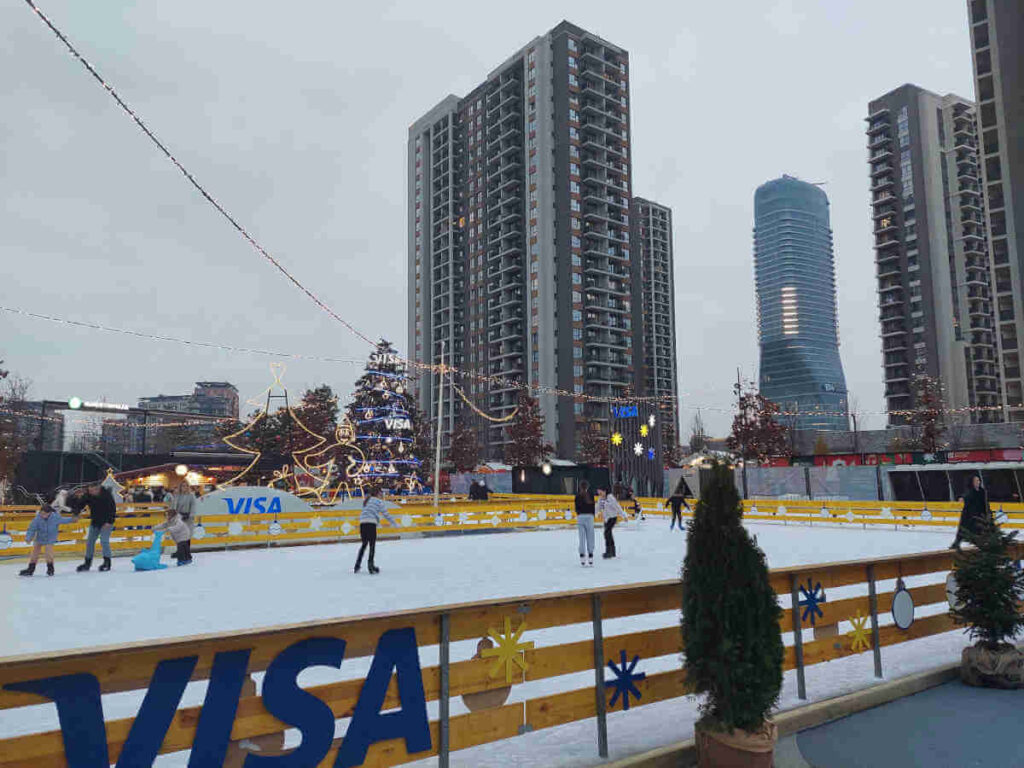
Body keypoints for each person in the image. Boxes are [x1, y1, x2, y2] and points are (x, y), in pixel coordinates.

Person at [19, 490, 79, 577]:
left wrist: (72, 520)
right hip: (39, 537)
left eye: (45, 514)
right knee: (35, 552)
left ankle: (50, 569)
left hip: (50, 538)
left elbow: (64, 520)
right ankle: (30, 569)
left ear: (50, 513)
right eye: (41, 513)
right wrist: (28, 538)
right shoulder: (37, 519)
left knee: (49, 553)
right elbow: (31, 529)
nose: (42, 515)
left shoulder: (55, 517)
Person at [75, 483, 118, 572]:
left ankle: (107, 562)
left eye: (92, 490)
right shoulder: (88, 495)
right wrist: (76, 512)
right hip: (95, 522)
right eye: (89, 490)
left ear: (97, 489)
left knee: (104, 541)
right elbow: (80, 504)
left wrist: (109, 521)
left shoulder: (106, 495)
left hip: (107, 522)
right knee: (90, 542)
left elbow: (112, 509)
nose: (90, 492)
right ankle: (87, 563)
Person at [354, 485, 397, 574]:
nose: (382, 494)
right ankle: (371, 566)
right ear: (378, 493)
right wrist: (394, 523)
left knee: (364, 544)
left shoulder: (367, 500)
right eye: (381, 492)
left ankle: (357, 565)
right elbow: (386, 514)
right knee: (372, 545)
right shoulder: (378, 501)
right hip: (371, 524)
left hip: (363, 523)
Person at [951, 474, 991, 549]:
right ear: (972, 482)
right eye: (976, 481)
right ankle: (956, 544)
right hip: (969, 515)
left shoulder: (982, 492)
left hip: (980, 515)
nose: (978, 482)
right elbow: (965, 496)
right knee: (963, 530)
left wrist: (988, 512)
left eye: (978, 480)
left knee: (980, 531)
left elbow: (985, 503)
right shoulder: (970, 491)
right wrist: (961, 498)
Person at [574, 480, 596, 567]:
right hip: (589, 517)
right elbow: (593, 507)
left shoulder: (577, 496)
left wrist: (579, 514)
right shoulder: (590, 495)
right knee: (590, 536)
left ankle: (582, 556)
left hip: (580, 517)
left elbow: (576, 508)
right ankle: (590, 555)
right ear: (587, 487)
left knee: (581, 537)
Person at [597, 487, 622, 559]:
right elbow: (598, 507)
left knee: (607, 533)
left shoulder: (610, 497)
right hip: (606, 519)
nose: (599, 494)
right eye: (599, 493)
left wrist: (623, 515)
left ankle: (609, 552)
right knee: (608, 534)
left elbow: (617, 507)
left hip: (612, 517)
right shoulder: (600, 499)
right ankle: (611, 552)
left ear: (604, 491)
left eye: (600, 492)